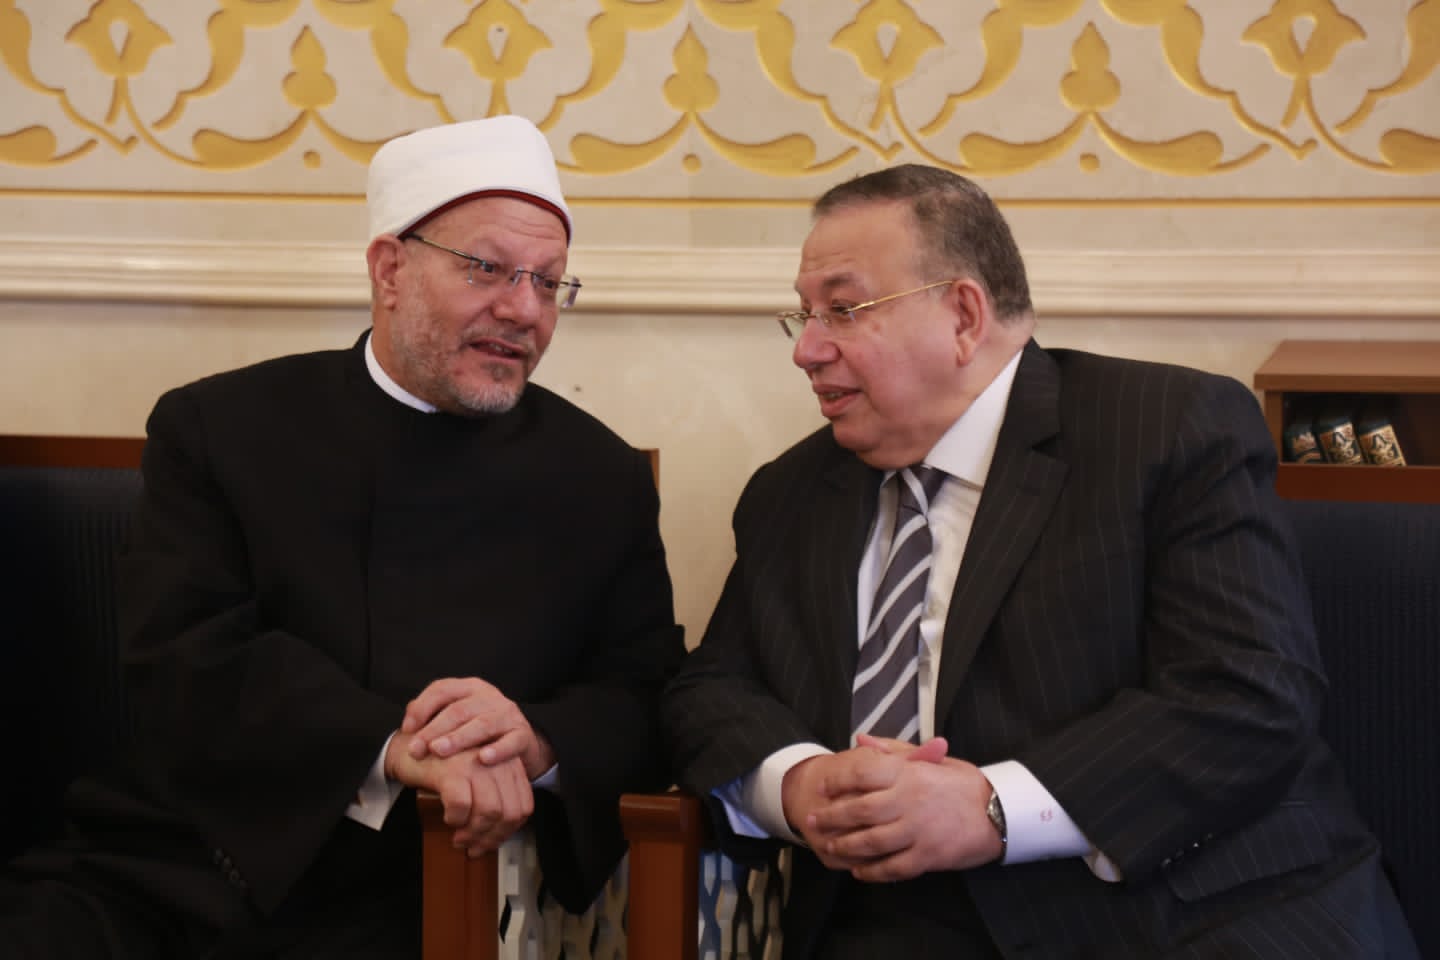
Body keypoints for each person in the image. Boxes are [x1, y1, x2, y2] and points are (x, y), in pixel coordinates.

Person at [662, 164, 1417, 959]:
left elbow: (1247, 693)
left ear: (963, 315)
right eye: (804, 314)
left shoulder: (1168, 431)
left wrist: (992, 808)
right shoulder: (790, 493)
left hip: (1182, 910)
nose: (807, 350)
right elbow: (711, 691)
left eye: (843, 310)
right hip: (905, 927)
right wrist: (799, 783)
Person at [1, 115, 684, 958]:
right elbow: (184, 653)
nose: (522, 310)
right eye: (486, 269)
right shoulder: (221, 427)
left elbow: (646, 693)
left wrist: (536, 740)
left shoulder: (601, 477)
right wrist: (392, 747)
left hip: (432, 886)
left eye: (548, 283)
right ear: (390, 269)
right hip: (178, 868)